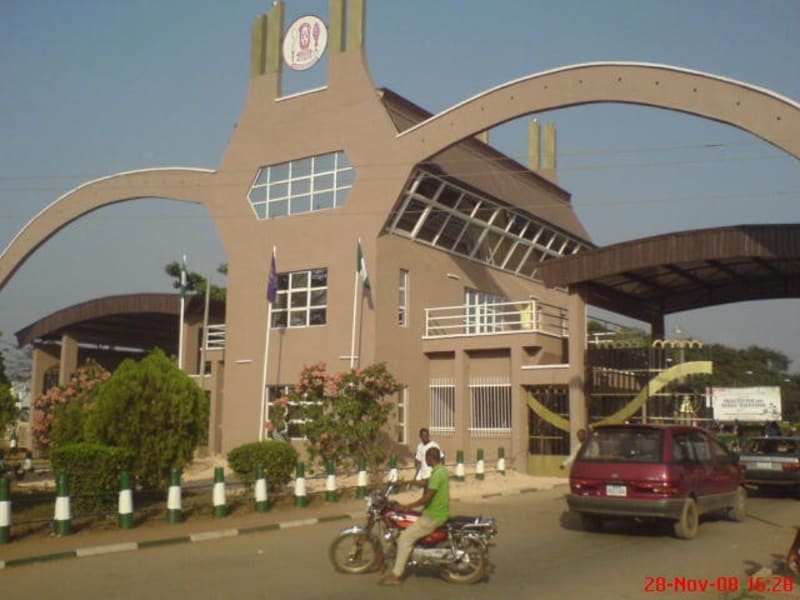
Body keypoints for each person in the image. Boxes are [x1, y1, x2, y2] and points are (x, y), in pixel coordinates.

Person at [380, 447, 450, 586]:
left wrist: (407, 506)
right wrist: (407, 483)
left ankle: (396, 576)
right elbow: (425, 482)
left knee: (404, 538)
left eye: (426, 457)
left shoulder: (437, 473)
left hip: (433, 516)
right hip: (436, 513)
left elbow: (427, 496)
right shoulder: (440, 470)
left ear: (430, 457)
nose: (425, 459)